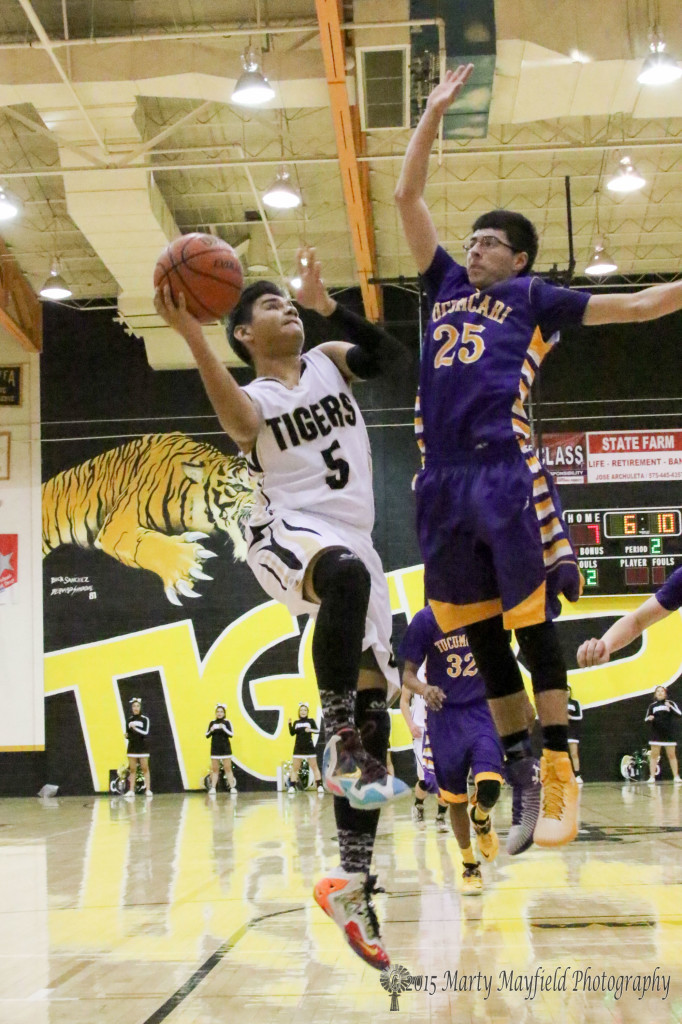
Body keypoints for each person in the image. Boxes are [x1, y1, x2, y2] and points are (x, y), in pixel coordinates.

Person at [395, 63, 682, 852]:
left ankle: (559, 768)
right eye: (476, 238)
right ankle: (522, 768)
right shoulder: (445, 282)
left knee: (528, 627)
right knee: (476, 631)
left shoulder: (535, 299)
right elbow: (406, 200)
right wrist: (431, 114)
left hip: (499, 468)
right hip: (438, 480)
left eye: (493, 242)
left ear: (519, 260)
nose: (478, 247)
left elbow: (639, 303)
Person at [155, 246, 409, 971]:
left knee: (376, 723)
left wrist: (329, 303)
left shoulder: (329, 359)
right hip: (288, 528)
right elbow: (237, 425)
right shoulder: (258, 397)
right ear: (243, 334)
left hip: (357, 537)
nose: (285, 310)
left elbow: (395, 360)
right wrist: (192, 336)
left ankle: (352, 884)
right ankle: (332, 732)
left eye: (286, 304)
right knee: (344, 579)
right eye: (269, 306)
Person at [400, 606, 505, 893]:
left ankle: (481, 817)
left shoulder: (486, 609)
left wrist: (517, 700)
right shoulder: (425, 619)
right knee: (454, 798)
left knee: (490, 787)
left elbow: (503, 663)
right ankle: (469, 864)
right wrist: (424, 689)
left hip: (482, 710)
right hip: (444, 716)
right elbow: (407, 675)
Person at [399, 684, 449, 832]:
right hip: (421, 732)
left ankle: (441, 817)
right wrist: (410, 724)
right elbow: (404, 701)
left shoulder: (444, 670)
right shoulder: (414, 670)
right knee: (426, 780)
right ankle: (418, 806)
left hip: (442, 731)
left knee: (445, 780)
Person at [645, 687, 682, 785]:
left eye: (662, 691)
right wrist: (649, 718)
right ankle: (652, 777)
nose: (660, 693)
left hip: (668, 734)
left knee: (672, 755)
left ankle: (676, 776)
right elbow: (646, 719)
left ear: (665, 693)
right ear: (655, 694)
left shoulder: (671, 703)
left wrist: (670, 706)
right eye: (658, 691)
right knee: (654, 755)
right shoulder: (652, 706)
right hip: (656, 734)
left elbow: (679, 714)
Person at [288, 703, 324, 794]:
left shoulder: (311, 721)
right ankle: (292, 786)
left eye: (304, 710)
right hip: (298, 748)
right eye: (301, 710)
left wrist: (310, 730)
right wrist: (289, 724)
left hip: (309, 747)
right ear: (299, 712)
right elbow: (292, 733)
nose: (303, 712)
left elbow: (317, 730)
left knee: (314, 767)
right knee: (295, 768)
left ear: (307, 712)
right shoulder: (296, 722)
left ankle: (319, 786)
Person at [206, 703, 237, 794]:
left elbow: (231, 734)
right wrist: (211, 730)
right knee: (215, 769)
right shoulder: (212, 722)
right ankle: (213, 788)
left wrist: (223, 728)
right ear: (215, 713)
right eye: (218, 712)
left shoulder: (227, 722)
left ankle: (232, 787)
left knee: (228, 768)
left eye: (221, 712)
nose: (219, 713)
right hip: (215, 749)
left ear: (224, 713)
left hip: (225, 748)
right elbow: (207, 735)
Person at [125, 697, 152, 798]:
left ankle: (148, 790)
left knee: (145, 768)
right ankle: (131, 790)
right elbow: (128, 733)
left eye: (137, 706)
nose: (135, 708)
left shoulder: (145, 719)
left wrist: (135, 728)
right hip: (132, 747)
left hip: (142, 747)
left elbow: (146, 732)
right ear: (131, 708)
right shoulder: (129, 720)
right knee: (132, 769)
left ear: (140, 707)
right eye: (134, 706)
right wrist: (127, 735)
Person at [567, 687, 583, 785]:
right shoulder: (558, 702)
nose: (567, 692)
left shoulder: (575, 703)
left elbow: (580, 716)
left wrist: (571, 717)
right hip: (562, 732)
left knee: (574, 754)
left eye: (568, 690)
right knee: (562, 755)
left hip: (572, 732)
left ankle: (577, 775)